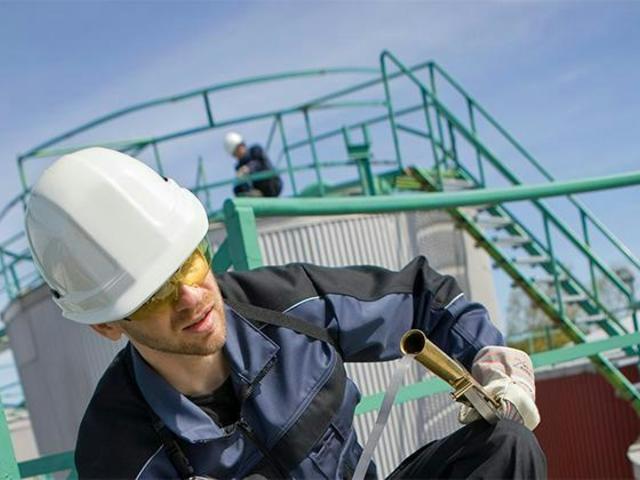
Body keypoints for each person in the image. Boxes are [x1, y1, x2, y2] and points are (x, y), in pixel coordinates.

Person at [24, 147, 546, 479]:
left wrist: (492, 364)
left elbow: (422, 298)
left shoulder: (289, 305)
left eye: (188, 262)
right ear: (106, 324)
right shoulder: (116, 452)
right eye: (154, 295)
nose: (190, 296)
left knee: (504, 447)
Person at [224, 132, 283, 198]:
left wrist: (248, 169)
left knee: (261, 169)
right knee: (238, 189)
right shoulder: (239, 167)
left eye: (238, 148)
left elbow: (260, 164)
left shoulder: (255, 151)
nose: (237, 155)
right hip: (259, 191)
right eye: (235, 153)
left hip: (272, 184)